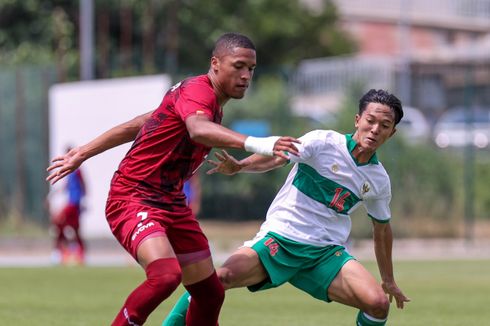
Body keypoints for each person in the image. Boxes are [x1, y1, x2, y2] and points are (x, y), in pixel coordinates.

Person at [46, 32, 299, 326]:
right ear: (215, 63)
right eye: (238, 66)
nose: (245, 76)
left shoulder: (205, 103)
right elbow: (198, 131)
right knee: (166, 275)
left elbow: (140, 123)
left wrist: (84, 151)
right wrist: (260, 143)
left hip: (172, 204)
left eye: (251, 70)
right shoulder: (198, 91)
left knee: (210, 293)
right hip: (133, 197)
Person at [162, 89, 410, 326]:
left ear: (392, 133)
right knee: (219, 279)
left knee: (378, 304)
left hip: (324, 255)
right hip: (280, 241)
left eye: (384, 126)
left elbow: (382, 229)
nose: (375, 129)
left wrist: (388, 280)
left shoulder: (378, 180)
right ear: (358, 120)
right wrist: (241, 166)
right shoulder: (322, 142)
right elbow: (279, 156)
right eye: (370, 120)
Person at [50, 146, 86, 265]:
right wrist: (52, 195)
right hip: (71, 203)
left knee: (59, 222)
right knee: (72, 228)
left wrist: (84, 201)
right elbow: (66, 186)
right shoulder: (70, 170)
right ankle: (72, 252)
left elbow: (83, 185)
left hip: (74, 203)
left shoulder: (78, 170)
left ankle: (62, 251)